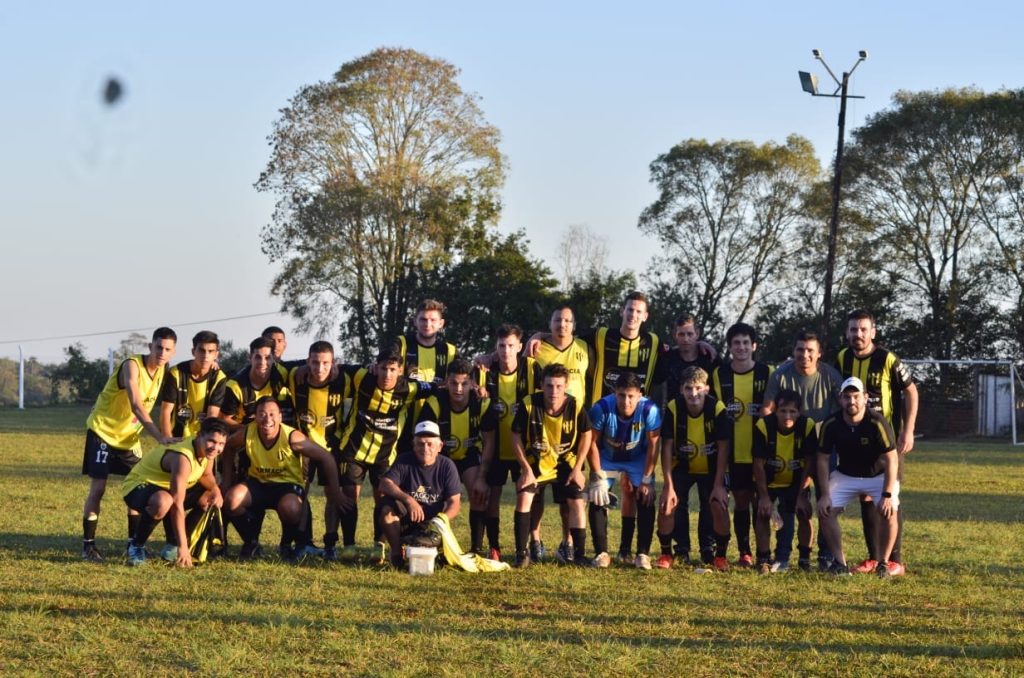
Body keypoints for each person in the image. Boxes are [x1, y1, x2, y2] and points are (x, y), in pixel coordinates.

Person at [80, 327, 178, 562]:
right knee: (98, 488)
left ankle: (133, 543)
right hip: (102, 432)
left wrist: (213, 365)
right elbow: (136, 403)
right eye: (158, 347)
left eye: (167, 349)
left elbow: (188, 375)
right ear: (150, 347)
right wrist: (159, 436)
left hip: (129, 439)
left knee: (138, 488)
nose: (161, 353)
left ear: (173, 352)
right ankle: (89, 546)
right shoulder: (132, 365)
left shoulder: (166, 371)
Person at [834, 309, 918, 576]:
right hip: (858, 442)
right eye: (853, 330)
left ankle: (895, 559)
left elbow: (911, 391)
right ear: (847, 332)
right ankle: (874, 557)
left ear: (873, 332)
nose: (857, 334)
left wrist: (908, 430)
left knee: (888, 496)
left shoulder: (887, 359)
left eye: (862, 329)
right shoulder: (842, 357)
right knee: (866, 498)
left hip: (886, 442)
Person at [333, 348, 435, 562]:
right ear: (375, 367)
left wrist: (475, 388)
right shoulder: (362, 377)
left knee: (383, 499)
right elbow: (336, 367)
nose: (387, 374)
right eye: (383, 368)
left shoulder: (409, 388)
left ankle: (378, 545)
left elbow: (438, 388)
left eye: (392, 370)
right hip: (354, 451)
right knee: (350, 496)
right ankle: (349, 545)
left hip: (385, 456)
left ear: (400, 371)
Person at [222, 397, 346, 560]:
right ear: (256, 417)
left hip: (286, 486)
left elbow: (326, 458)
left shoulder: (292, 436)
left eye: (272, 414)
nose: (267, 419)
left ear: (280, 417)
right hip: (258, 484)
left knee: (291, 507)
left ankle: (287, 543)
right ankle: (251, 542)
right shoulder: (248, 431)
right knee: (231, 499)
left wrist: (336, 492)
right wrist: (226, 481)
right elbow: (228, 447)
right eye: (262, 414)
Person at [762, 330, 842, 571]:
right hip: (791, 451)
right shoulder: (781, 375)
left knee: (826, 503)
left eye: (810, 350)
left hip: (826, 450)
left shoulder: (830, 375)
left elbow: (845, 406)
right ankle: (783, 556)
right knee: (792, 504)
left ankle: (826, 557)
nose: (804, 355)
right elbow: (767, 409)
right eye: (800, 349)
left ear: (819, 353)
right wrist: (770, 440)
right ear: (793, 350)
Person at [816, 377, 900, 578]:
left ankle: (883, 563)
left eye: (855, 396)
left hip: (877, 476)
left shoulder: (876, 421)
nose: (851, 401)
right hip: (846, 475)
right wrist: (824, 494)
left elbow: (892, 459)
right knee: (825, 511)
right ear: (840, 399)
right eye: (847, 397)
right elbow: (821, 460)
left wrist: (887, 494)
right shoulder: (832, 423)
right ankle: (840, 563)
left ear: (865, 397)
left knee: (890, 512)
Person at [510, 363, 592, 567]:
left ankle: (578, 554)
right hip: (537, 462)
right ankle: (522, 553)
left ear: (566, 386)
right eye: (549, 386)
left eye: (558, 386)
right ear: (541, 385)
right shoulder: (529, 404)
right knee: (524, 497)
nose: (553, 391)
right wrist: (525, 469)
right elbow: (515, 435)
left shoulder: (576, 405)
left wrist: (578, 468)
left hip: (567, 462)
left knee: (576, 502)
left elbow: (587, 435)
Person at [473, 324, 542, 560]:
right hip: (495, 448)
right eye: (501, 346)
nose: (506, 350)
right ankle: (494, 547)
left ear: (520, 347)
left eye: (511, 345)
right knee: (493, 498)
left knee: (525, 496)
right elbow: (470, 390)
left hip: (525, 449)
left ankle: (522, 551)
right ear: (496, 347)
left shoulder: (532, 369)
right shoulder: (485, 370)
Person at [120, 417, 229, 567]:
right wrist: (183, 548)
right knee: (164, 502)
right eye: (212, 441)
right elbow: (177, 505)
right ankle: (136, 546)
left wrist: (215, 489)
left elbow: (206, 474)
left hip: (167, 488)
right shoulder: (183, 457)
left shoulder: (207, 451)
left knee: (209, 498)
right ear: (199, 435)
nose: (216, 448)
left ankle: (171, 547)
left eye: (221, 444)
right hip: (138, 485)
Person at [656, 367, 732, 571]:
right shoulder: (673, 407)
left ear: (707, 389)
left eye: (698, 388)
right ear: (682, 389)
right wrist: (667, 485)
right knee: (668, 504)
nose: (693, 394)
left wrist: (719, 485)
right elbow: (667, 447)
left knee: (717, 504)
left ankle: (719, 555)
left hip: (711, 468)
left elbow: (724, 448)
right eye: (689, 388)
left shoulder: (717, 408)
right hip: (682, 465)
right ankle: (668, 552)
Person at [417, 358, 497, 555]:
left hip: (469, 457)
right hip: (441, 459)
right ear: (446, 382)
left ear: (472, 384)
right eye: (454, 383)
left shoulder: (482, 404)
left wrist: (481, 477)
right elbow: (424, 439)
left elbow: (489, 442)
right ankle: (433, 545)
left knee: (479, 494)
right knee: (432, 499)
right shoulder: (435, 402)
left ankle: (477, 549)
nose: (459, 388)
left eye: (464, 383)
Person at [711, 322, 773, 567]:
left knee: (762, 503)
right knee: (742, 501)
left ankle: (764, 554)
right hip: (733, 451)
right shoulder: (719, 374)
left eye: (746, 343)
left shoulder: (767, 373)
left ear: (754, 346)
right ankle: (745, 552)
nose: (741, 347)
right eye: (736, 343)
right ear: (729, 347)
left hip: (761, 452)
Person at [587, 372, 662, 569]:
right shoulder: (601, 408)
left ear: (640, 394)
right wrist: (596, 476)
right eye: (621, 395)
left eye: (631, 396)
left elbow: (654, 446)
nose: (626, 401)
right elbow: (591, 443)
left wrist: (647, 479)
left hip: (637, 458)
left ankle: (642, 554)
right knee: (597, 495)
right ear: (614, 393)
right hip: (608, 458)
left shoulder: (650, 409)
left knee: (646, 496)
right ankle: (601, 553)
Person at [288, 341, 349, 560]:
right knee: (300, 494)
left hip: (332, 447)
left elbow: (366, 372)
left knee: (332, 495)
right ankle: (303, 542)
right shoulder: (296, 376)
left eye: (325, 363)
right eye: (315, 362)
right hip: (303, 447)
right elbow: (276, 366)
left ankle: (330, 543)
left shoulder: (344, 379)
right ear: (307, 361)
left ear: (333, 363)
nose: (320, 368)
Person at [379, 420, 463, 569]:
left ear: (440, 446)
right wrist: (409, 500)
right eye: (420, 443)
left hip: (433, 524)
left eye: (430, 444)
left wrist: (440, 521)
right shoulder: (404, 460)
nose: (425, 448)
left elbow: (454, 503)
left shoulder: (447, 466)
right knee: (386, 507)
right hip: (408, 518)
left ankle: (434, 553)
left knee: (431, 559)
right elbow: (384, 483)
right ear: (414, 444)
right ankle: (397, 555)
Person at [752, 389, 817, 573]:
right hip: (769, 481)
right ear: (775, 411)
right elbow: (758, 464)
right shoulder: (763, 426)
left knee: (804, 512)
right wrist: (764, 497)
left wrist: (802, 494)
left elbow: (810, 463)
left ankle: (804, 559)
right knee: (762, 513)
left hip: (796, 481)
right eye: (783, 411)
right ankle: (763, 558)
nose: (787, 416)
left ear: (799, 412)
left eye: (792, 411)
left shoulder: (807, 425)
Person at [159, 330, 227, 439]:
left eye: (210, 351)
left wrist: (203, 444)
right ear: (193, 351)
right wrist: (168, 440)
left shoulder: (219, 378)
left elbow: (212, 415)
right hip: (175, 438)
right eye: (201, 350)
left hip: (201, 440)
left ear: (216, 355)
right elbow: (166, 411)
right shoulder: (176, 373)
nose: (205, 355)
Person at [219, 336, 293, 431]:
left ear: (273, 358)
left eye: (267, 358)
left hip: (273, 430)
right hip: (243, 432)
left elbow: (307, 364)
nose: (263, 362)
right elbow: (224, 418)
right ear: (250, 358)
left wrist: (303, 370)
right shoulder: (235, 386)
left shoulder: (282, 373)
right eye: (258, 357)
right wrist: (252, 431)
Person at [654, 314, 722, 406]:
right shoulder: (668, 359)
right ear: (674, 335)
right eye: (681, 334)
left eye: (690, 334)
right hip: (676, 415)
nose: (686, 339)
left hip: (706, 416)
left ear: (697, 334)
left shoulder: (709, 358)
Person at [393, 299, 460, 385]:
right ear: (415, 321)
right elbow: (384, 366)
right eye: (423, 319)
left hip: (436, 398)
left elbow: (464, 379)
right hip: (405, 398)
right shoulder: (401, 343)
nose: (427, 324)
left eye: (433, 320)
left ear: (441, 323)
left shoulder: (450, 351)